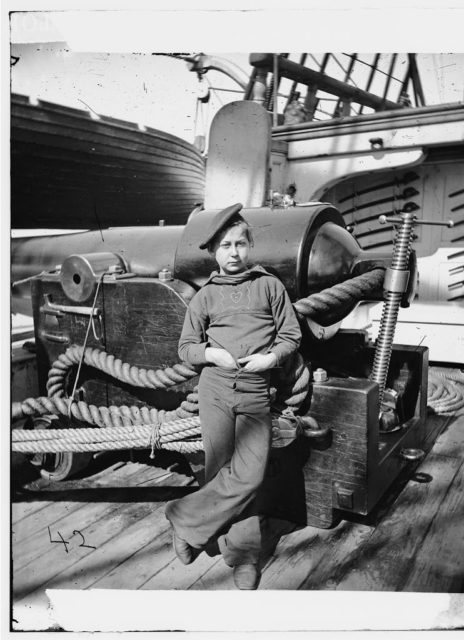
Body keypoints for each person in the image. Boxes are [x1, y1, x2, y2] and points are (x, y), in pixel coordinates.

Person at [165, 203, 301, 590]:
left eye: (241, 243)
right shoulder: (205, 296)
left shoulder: (269, 286)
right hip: (216, 390)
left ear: (250, 245)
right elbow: (186, 347)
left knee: (249, 476)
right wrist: (212, 354)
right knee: (219, 471)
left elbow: (291, 334)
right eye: (225, 245)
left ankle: (186, 520)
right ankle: (242, 555)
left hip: (256, 390)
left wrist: (271, 358)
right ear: (213, 252)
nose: (234, 252)